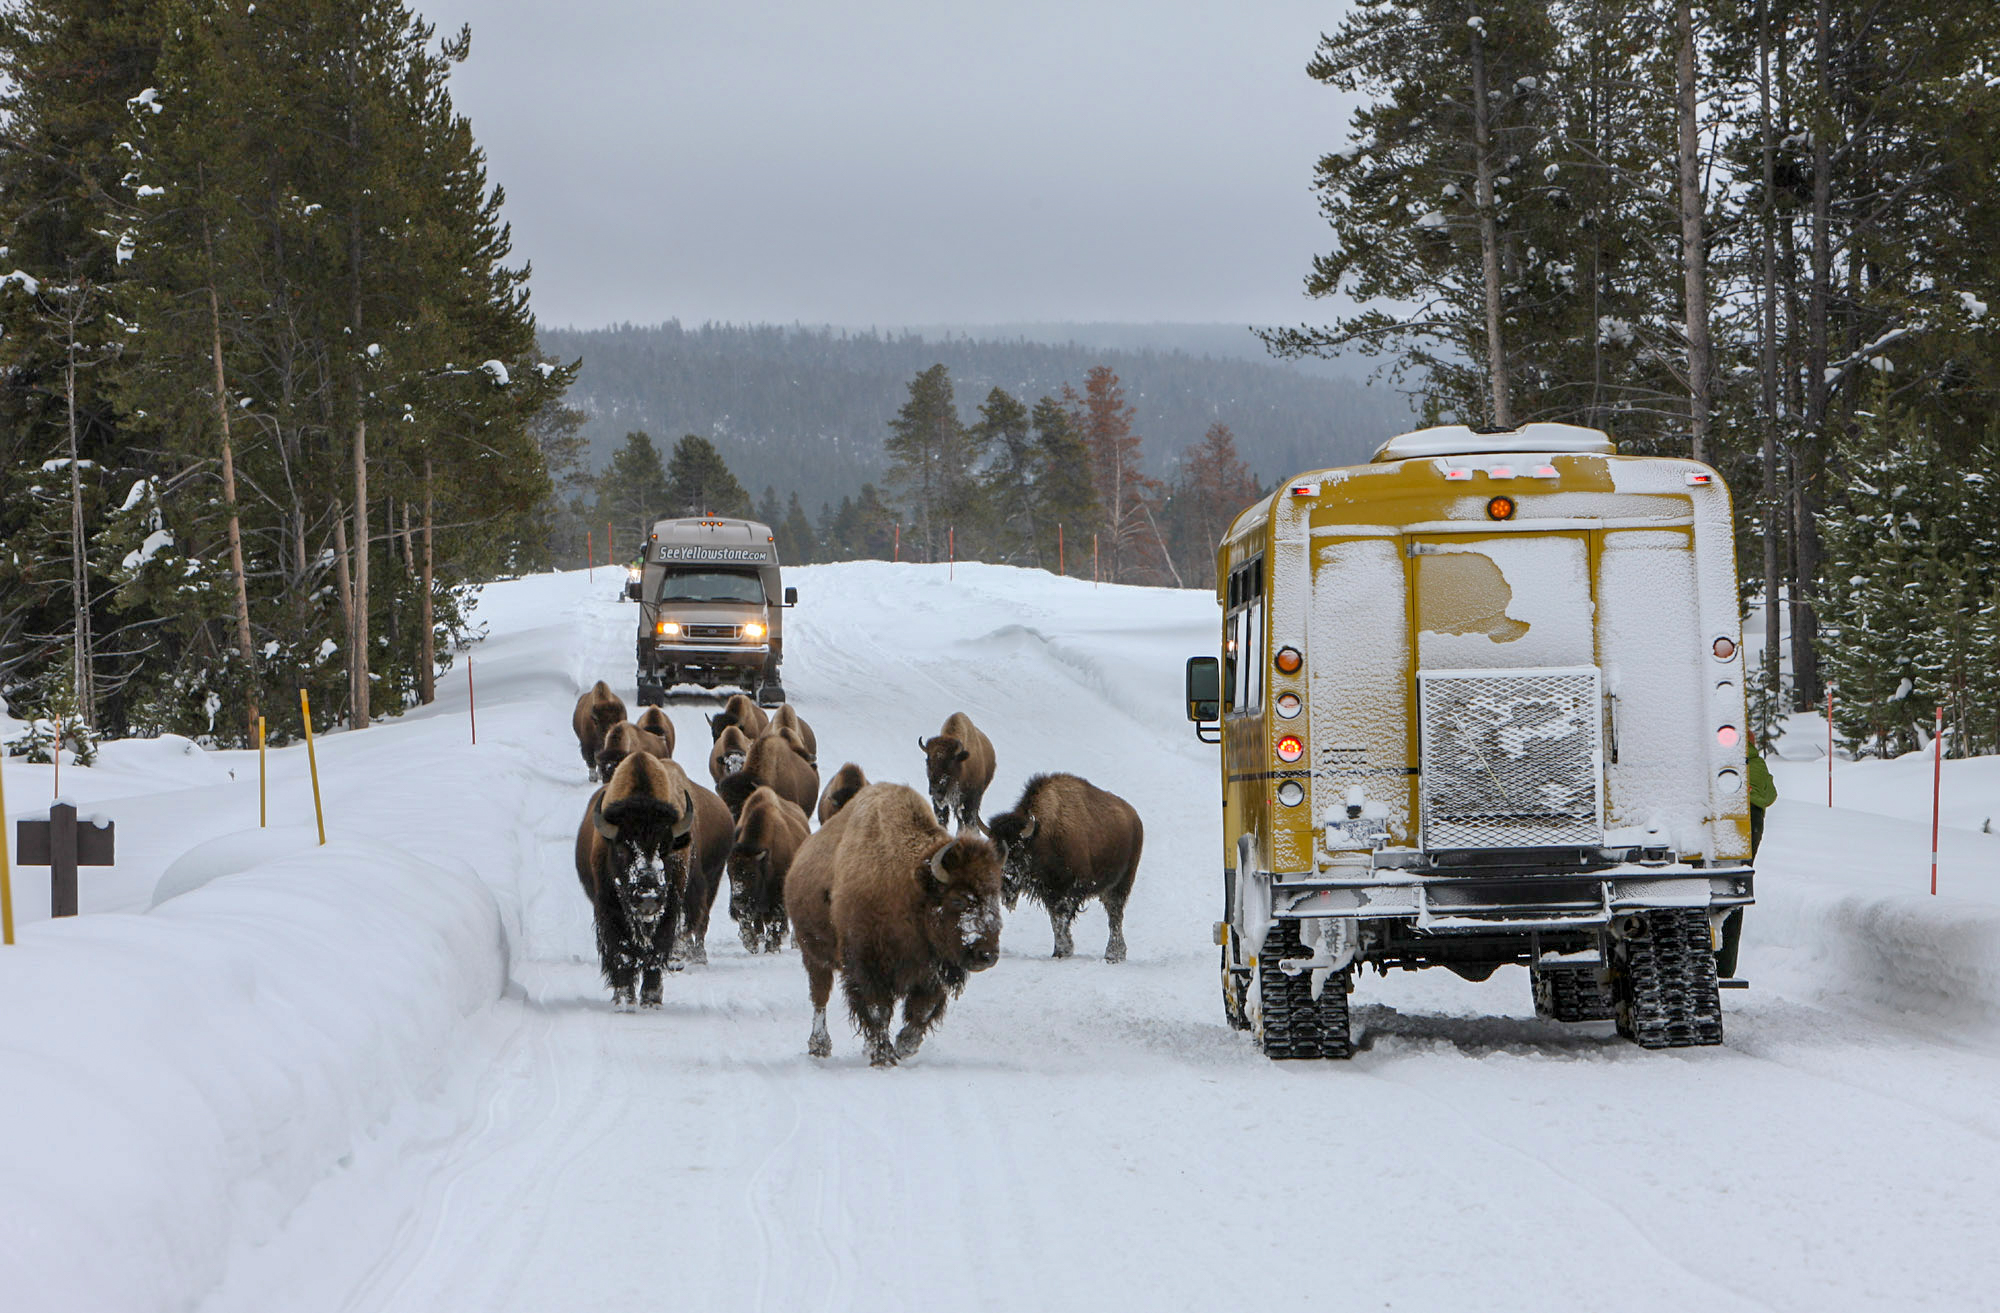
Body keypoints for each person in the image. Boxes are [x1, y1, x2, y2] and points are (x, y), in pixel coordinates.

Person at [1719, 728, 1777, 978]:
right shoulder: (1756, 764)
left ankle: (1722, 963)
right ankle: (1725, 966)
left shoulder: (1737, 763)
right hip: (1750, 829)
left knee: (1728, 888)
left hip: (1735, 827)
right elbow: (1769, 795)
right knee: (1734, 889)